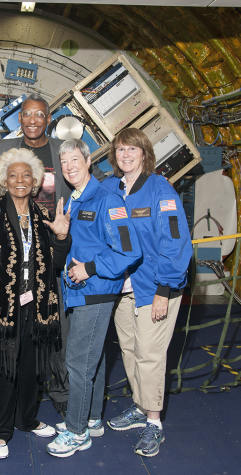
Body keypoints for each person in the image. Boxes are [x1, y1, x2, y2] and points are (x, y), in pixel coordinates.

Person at [0, 93, 104, 417]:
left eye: (39, 115)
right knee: (12, 330)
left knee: (57, 329)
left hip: (52, 257)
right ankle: (13, 395)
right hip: (8, 262)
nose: (33, 120)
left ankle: (61, 392)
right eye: (27, 115)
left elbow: (89, 184)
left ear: (49, 119)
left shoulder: (62, 155)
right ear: (20, 119)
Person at [0, 148, 71, 459]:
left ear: (36, 181)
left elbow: (55, 263)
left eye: (26, 176)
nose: (20, 181)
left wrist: (62, 239)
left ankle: (26, 418)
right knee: (2, 366)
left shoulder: (41, 216)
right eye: (14, 176)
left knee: (30, 366)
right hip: (0, 304)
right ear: (4, 181)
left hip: (36, 305)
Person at [45, 139, 142, 458]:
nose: (70, 166)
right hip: (77, 293)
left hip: (96, 291)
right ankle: (92, 419)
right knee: (92, 359)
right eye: (65, 161)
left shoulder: (107, 199)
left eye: (76, 159)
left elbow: (129, 249)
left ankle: (76, 431)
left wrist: (91, 268)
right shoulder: (73, 199)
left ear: (88, 161)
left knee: (77, 361)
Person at [102, 128, 192, 458]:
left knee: (150, 355)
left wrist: (164, 289)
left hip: (155, 287)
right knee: (129, 350)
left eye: (132, 149)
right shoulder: (110, 187)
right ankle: (140, 407)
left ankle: (154, 422)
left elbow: (174, 241)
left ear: (144, 153)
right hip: (122, 288)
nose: (126, 155)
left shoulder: (160, 190)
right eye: (120, 149)